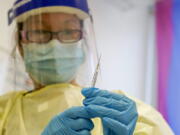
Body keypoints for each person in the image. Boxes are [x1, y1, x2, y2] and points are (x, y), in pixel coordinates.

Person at [0, 0, 174, 135]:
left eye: (69, 31)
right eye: (40, 31)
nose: (55, 44)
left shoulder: (130, 114)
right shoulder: (3, 113)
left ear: (82, 41)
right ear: (21, 45)